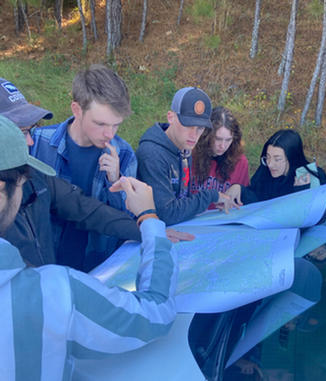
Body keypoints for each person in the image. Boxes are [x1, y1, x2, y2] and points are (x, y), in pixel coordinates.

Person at [0, 117, 178, 380]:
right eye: (22, 179)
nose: (30, 140)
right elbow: (155, 314)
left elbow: (83, 207)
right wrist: (149, 219)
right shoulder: (54, 294)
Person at [0, 79, 192, 271]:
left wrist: (147, 228)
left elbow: (84, 208)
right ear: (77, 110)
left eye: (30, 130)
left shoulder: (32, 172)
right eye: (22, 132)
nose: (30, 141)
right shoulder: (38, 147)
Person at [30, 65, 143, 268]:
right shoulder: (37, 143)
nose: (110, 134)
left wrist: (115, 182)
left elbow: (127, 222)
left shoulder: (124, 154)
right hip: (44, 266)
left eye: (116, 124)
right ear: (77, 110)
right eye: (100, 124)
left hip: (97, 266)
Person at [136, 87, 237, 226]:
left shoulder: (184, 146)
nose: (194, 135)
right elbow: (168, 214)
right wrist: (211, 195)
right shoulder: (152, 155)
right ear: (171, 117)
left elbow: (183, 197)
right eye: (188, 125)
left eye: (200, 128)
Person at [225, 129, 326, 205]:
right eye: (268, 157)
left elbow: (314, 214)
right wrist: (240, 190)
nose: (270, 164)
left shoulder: (311, 177)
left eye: (277, 159)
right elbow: (258, 199)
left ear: (292, 158)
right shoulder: (265, 171)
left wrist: (302, 192)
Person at [191, 106, 249, 209]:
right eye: (218, 139)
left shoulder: (240, 161)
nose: (222, 146)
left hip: (222, 220)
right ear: (207, 135)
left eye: (228, 140)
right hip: (192, 218)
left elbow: (243, 202)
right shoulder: (190, 154)